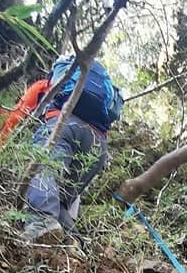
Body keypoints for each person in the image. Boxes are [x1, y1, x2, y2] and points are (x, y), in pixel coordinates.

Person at [22, 55, 123, 245]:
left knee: (44, 173)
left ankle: (41, 224)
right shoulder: (100, 98)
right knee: (59, 200)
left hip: (63, 126)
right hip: (97, 146)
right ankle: (73, 244)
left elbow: (18, 115)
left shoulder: (48, 84)